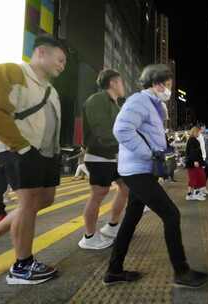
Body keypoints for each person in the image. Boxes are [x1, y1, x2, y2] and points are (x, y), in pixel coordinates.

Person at [0, 36, 67, 285]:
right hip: (19, 147)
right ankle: (22, 266)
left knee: (45, 199)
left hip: (46, 152)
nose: (63, 66)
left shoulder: (51, 90)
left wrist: (55, 151)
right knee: (28, 202)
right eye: (60, 60)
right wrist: (23, 148)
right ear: (41, 52)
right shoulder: (10, 71)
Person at [105, 64, 208, 288]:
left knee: (131, 219)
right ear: (158, 83)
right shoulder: (139, 101)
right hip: (137, 170)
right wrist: (150, 154)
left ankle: (114, 270)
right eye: (169, 85)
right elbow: (121, 130)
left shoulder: (153, 106)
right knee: (171, 214)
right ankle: (181, 271)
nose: (170, 89)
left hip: (142, 170)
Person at [78, 69, 130, 250]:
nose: (123, 86)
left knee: (126, 187)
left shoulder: (115, 104)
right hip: (99, 156)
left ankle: (112, 226)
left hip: (113, 157)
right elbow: (102, 131)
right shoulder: (98, 100)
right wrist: (128, 142)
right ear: (113, 82)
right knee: (98, 194)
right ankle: (89, 237)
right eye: (121, 82)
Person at [185, 127, 207, 201]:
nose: (199, 133)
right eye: (198, 132)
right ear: (194, 132)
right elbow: (193, 152)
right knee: (198, 178)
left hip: (191, 163)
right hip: (194, 163)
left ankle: (189, 195)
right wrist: (195, 161)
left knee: (193, 178)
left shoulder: (191, 140)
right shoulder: (193, 140)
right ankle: (196, 194)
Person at [196, 125, 208, 195]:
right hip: (200, 158)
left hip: (203, 157)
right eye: (204, 128)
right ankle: (199, 190)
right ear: (201, 128)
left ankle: (203, 189)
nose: (205, 129)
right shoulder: (198, 136)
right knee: (200, 175)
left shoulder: (202, 136)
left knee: (204, 173)